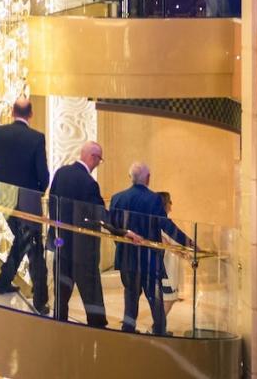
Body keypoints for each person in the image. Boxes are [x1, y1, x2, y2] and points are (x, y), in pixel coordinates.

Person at [0, 97, 50, 314]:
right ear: (31, 114)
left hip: (2, 195)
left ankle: (3, 282)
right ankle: (40, 300)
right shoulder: (36, 138)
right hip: (27, 199)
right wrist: (36, 189)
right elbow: (44, 176)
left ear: (12, 112)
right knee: (33, 244)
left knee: (23, 240)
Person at [109, 163, 190, 335]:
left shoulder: (117, 198)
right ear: (147, 178)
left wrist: (123, 247)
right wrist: (188, 242)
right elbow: (165, 225)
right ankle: (159, 331)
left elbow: (113, 229)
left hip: (126, 258)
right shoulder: (153, 199)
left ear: (130, 177)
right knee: (155, 300)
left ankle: (128, 329)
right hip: (148, 259)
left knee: (130, 297)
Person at [48, 141, 108, 327]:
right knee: (90, 290)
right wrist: (124, 230)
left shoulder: (60, 173)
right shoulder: (89, 183)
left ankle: (60, 325)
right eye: (99, 160)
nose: (98, 164)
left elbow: (52, 204)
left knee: (62, 291)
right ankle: (97, 327)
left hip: (61, 243)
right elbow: (100, 215)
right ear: (93, 157)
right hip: (83, 249)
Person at [157, 191, 185, 320]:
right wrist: (182, 253)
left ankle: (158, 327)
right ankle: (156, 328)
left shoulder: (162, 221)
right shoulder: (161, 222)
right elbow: (165, 242)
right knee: (169, 299)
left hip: (168, 265)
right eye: (169, 201)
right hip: (166, 267)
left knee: (169, 299)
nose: (171, 205)